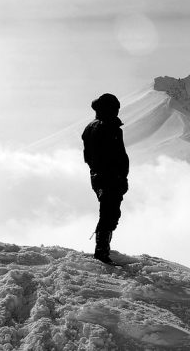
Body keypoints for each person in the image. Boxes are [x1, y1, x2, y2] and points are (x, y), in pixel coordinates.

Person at [81, 93, 129, 265]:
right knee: (109, 213)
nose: (117, 111)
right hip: (108, 177)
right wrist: (117, 176)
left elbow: (90, 157)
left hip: (102, 176)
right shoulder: (106, 127)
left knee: (109, 212)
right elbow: (113, 155)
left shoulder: (94, 127)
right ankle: (101, 252)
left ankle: (102, 249)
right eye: (114, 108)